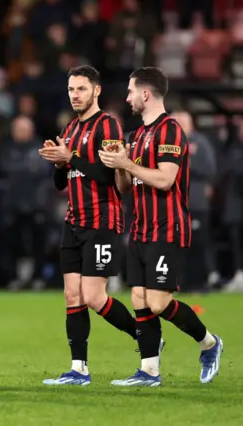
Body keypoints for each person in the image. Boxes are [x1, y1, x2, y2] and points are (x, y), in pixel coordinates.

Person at [99, 66, 223, 386]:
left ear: (146, 93)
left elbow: (166, 180)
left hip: (167, 227)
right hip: (140, 228)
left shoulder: (170, 130)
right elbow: (127, 187)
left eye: (130, 91)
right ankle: (149, 371)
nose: (126, 98)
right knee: (139, 299)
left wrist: (127, 163)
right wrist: (118, 163)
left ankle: (209, 343)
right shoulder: (136, 134)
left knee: (158, 302)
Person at [38, 65, 141, 386]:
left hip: (102, 221)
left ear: (96, 90)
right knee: (72, 296)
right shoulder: (69, 129)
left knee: (95, 297)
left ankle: (145, 336)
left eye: (81, 89)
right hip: (74, 222)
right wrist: (59, 163)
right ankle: (78, 369)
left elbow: (107, 173)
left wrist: (70, 157)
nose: (75, 95)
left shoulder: (108, 126)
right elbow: (63, 181)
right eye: (71, 90)